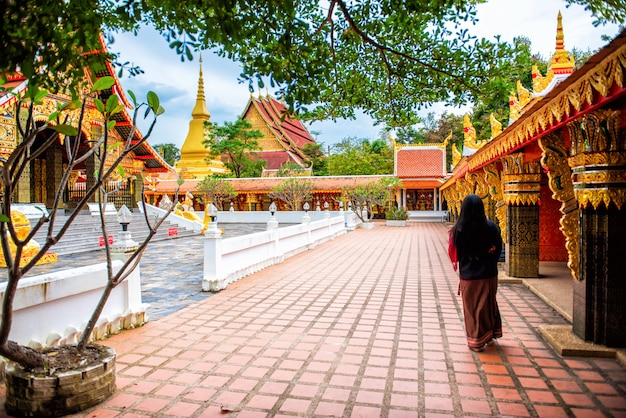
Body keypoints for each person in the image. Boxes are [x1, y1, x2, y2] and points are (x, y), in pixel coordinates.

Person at [448, 194, 503, 352]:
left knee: (472, 309)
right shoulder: (491, 227)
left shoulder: (457, 231)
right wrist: (488, 257)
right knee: (488, 304)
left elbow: (455, 255)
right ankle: (490, 335)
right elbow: (497, 249)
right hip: (489, 274)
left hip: (469, 276)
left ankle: (476, 341)